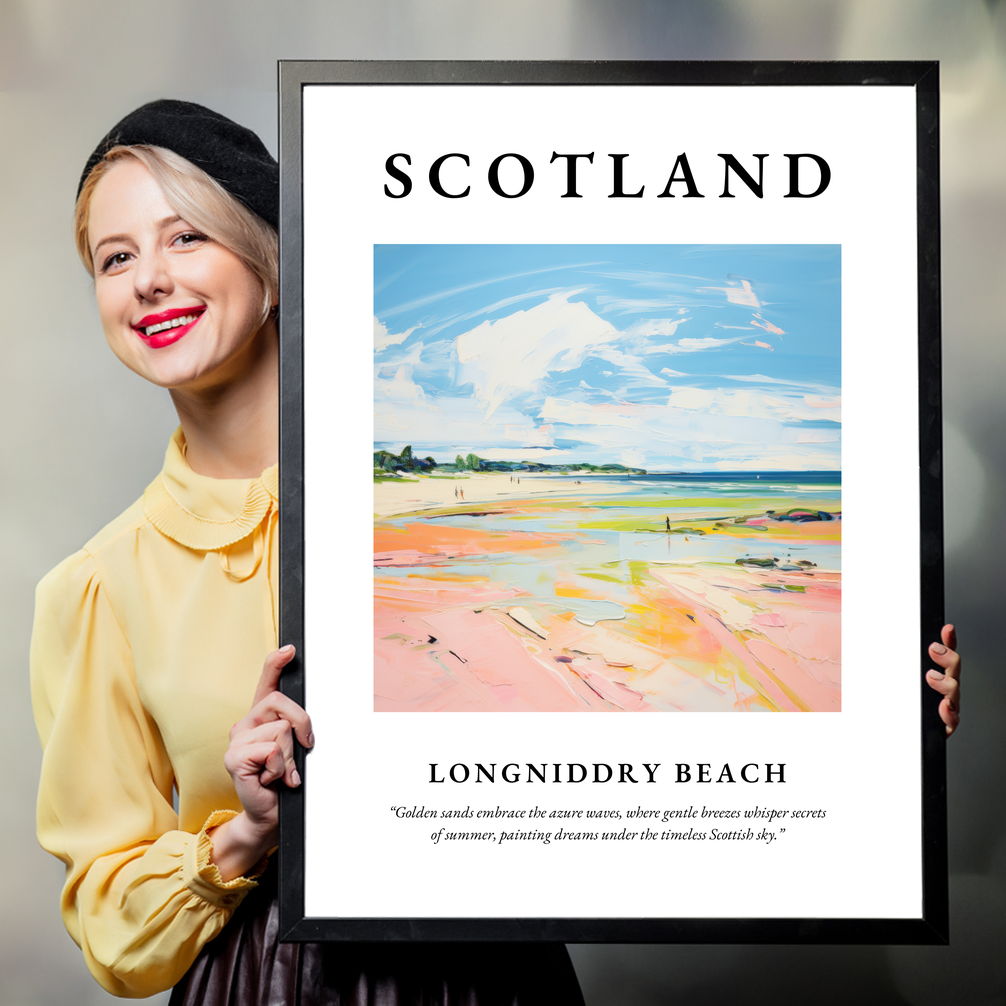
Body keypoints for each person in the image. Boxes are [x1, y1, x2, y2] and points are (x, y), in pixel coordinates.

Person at [30, 100, 585, 1004]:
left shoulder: (437, 511)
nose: (149, 281)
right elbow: (111, 925)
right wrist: (246, 833)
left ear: (273, 263)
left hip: (490, 971)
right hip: (263, 981)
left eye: (186, 237)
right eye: (115, 258)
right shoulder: (97, 587)